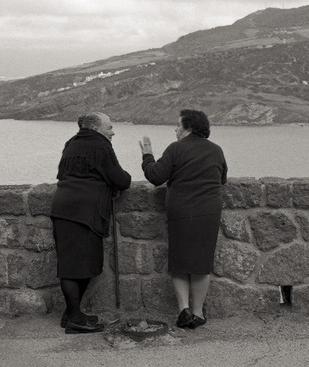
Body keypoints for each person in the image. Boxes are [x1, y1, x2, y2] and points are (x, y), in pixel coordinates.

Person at [139, 109, 227, 329]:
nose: (175, 129)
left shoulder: (175, 149)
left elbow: (156, 176)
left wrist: (147, 154)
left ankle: (183, 310)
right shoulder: (216, 150)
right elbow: (222, 178)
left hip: (180, 211)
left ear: (188, 127)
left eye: (178, 125)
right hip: (208, 211)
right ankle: (198, 314)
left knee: (179, 262)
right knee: (201, 263)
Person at [51, 112, 132, 334]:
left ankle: (71, 314)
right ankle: (75, 319)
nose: (113, 131)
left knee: (74, 265)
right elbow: (120, 180)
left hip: (62, 206)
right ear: (96, 129)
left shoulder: (71, 144)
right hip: (84, 212)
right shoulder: (100, 145)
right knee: (78, 267)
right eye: (110, 127)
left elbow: (63, 174)